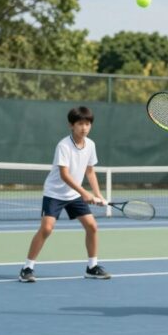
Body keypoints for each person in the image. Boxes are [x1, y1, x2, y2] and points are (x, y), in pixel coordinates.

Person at [19, 106, 111, 283]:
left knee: (92, 226)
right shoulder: (64, 145)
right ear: (71, 125)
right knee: (46, 229)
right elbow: (64, 175)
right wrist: (85, 193)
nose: (84, 128)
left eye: (87, 124)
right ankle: (27, 268)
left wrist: (98, 195)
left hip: (74, 194)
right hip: (55, 192)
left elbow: (90, 171)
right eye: (80, 124)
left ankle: (92, 267)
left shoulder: (91, 145)